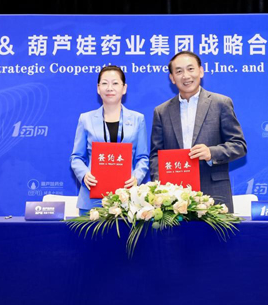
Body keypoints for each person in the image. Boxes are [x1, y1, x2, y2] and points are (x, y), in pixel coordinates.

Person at [150, 51, 246, 213]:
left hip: (214, 194)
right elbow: (155, 155)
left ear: (201, 71)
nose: (186, 76)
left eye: (190, 69)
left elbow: (239, 146)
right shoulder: (161, 111)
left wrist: (211, 153)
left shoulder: (221, 103)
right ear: (172, 78)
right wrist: (161, 187)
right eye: (179, 71)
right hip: (174, 198)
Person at [71, 65, 149, 213]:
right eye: (104, 83)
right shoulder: (85, 119)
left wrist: (136, 177)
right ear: (98, 88)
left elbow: (143, 157)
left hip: (127, 198)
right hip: (92, 198)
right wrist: (84, 174)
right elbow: (76, 157)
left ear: (124, 88)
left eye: (115, 83)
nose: (109, 88)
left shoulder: (138, 119)